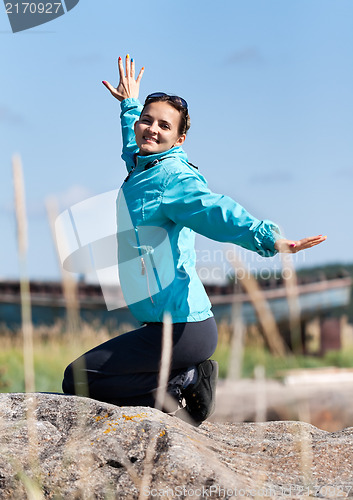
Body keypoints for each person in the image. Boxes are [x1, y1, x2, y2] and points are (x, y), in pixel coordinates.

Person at [62, 55, 326, 425]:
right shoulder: (144, 166)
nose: (151, 129)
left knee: (79, 379)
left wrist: (268, 238)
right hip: (163, 326)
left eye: (163, 126)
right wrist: (128, 106)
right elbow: (132, 149)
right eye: (146, 121)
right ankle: (179, 388)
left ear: (179, 138)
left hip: (185, 329)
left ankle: (185, 380)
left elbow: (216, 211)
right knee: (88, 380)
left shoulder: (174, 179)